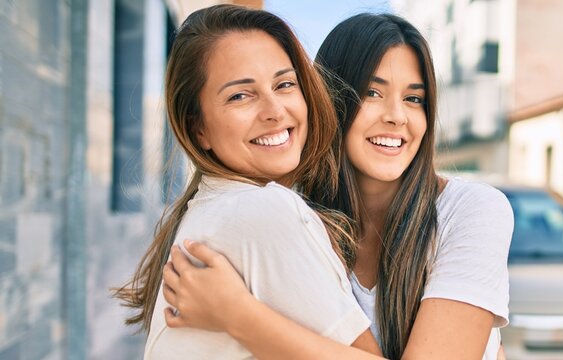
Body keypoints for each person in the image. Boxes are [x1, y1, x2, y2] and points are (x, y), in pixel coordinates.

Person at [162, 12, 513, 360]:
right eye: (372, 92)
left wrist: (238, 316)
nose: (397, 116)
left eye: (413, 99)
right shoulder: (292, 221)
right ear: (330, 98)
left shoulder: (471, 210)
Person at [112, 5, 385, 359]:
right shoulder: (261, 210)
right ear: (199, 128)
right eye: (240, 95)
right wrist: (238, 316)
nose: (274, 110)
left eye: (285, 84)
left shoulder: (211, 210)